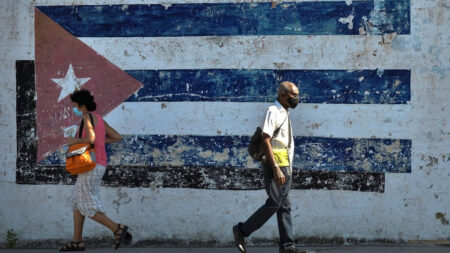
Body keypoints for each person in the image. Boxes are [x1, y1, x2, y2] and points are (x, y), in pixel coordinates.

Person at [233, 81, 309, 253]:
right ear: (283, 95)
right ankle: (242, 231)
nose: (296, 98)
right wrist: (275, 168)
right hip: (275, 166)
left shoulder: (284, 112)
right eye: (293, 95)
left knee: (284, 206)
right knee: (275, 203)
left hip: (285, 165)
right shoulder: (272, 111)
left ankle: (287, 246)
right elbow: (266, 139)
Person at [59, 89, 131, 251]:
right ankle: (77, 241)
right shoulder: (99, 119)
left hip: (90, 165)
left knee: (87, 205)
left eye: (75, 106)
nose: (74, 109)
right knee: (77, 202)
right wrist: (99, 141)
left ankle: (117, 228)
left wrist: (73, 140)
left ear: (83, 106)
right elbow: (117, 137)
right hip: (98, 164)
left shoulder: (86, 117)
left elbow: (90, 139)